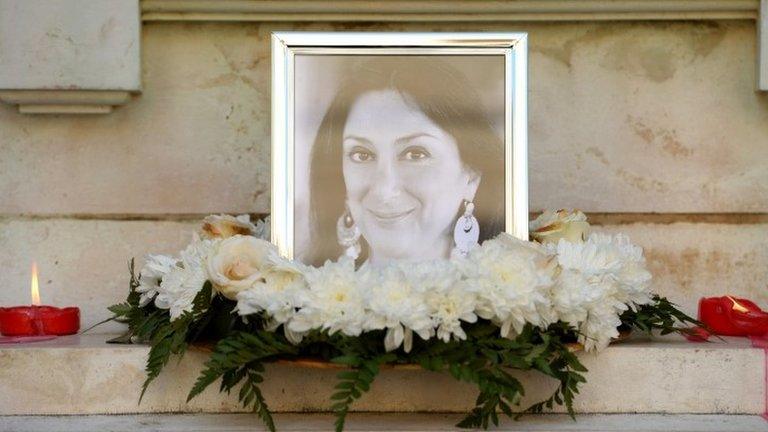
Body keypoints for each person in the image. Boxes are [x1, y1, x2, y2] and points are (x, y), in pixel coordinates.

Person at [307, 56, 504, 266]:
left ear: (471, 176)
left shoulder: (520, 291)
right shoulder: (298, 291)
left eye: (416, 154)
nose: (384, 189)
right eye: (361, 155)